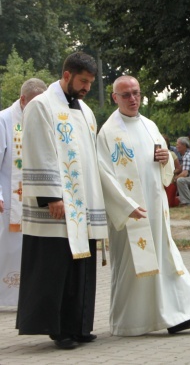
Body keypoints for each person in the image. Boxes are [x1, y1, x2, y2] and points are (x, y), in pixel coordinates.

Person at [97, 75, 190, 336]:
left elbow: (166, 163)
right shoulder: (108, 133)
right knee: (133, 265)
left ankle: (179, 314)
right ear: (115, 98)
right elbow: (103, 175)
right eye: (126, 95)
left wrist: (165, 157)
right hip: (131, 213)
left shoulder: (149, 125)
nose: (133, 99)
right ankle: (131, 322)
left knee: (165, 260)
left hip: (156, 209)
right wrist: (125, 206)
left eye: (136, 93)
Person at [16, 52, 109, 349]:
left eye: (90, 83)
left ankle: (79, 326)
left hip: (81, 205)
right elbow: (38, 148)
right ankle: (59, 330)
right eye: (83, 81)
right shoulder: (42, 105)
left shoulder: (85, 110)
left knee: (81, 267)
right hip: (57, 205)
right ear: (67, 75)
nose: (86, 89)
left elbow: (89, 157)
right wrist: (51, 196)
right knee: (57, 269)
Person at [0, 78, 47, 307]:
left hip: (34, 200)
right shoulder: (3, 120)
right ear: (22, 100)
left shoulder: (42, 119)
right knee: (6, 250)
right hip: (8, 200)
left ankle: (27, 298)